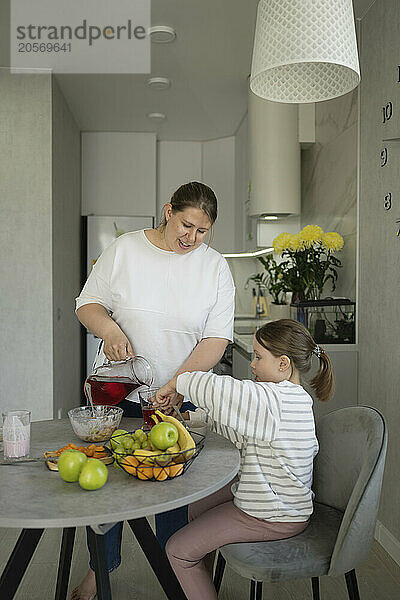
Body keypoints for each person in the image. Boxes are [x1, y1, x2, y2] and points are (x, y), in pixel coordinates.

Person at [72, 181, 235, 600]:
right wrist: (108, 329)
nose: (192, 238)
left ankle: (177, 576)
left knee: (174, 489)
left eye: (203, 231)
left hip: (181, 396)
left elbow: (216, 340)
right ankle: (100, 571)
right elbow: (87, 303)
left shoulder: (214, 266)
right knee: (108, 487)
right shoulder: (126, 249)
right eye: (186, 225)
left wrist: (177, 384)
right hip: (120, 391)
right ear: (168, 211)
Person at [153, 318, 334, 600]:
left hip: (272, 514)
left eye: (259, 357)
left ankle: (193, 578)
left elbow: (219, 389)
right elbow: (238, 427)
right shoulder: (290, 399)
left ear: (283, 364)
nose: (252, 364)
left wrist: (179, 381)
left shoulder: (276, 401)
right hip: (284, 503)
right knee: (197, 505)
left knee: (177, 550)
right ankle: (202, 585)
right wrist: (189, 417)